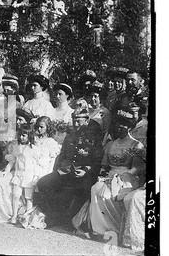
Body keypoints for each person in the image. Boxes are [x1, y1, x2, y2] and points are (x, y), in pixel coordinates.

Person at [72, 108, 145, 239]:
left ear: (129, 127)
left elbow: (136, 168)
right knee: (96, 189)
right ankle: (99, 229)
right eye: (117, 125)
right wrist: (102, 176)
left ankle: (115, 228)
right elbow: (104, 165)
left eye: (123, 125)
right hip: (110, 176)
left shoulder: (136, 145)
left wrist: (122, 176)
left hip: (127, 177)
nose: (119, 128)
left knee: (108, 194)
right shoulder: (111, 144)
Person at [37, 99, 103, 228]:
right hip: (66, 171)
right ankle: (56, 213)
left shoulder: (94, 139)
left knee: (82, 189)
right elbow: (61, 157)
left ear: (87, 121)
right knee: (43, 183)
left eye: (79, 121)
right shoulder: (69, 137)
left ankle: (71, 218)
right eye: (74, 120)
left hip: (84, 173)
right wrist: (57, 170)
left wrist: (85, 170)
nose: (76, 124)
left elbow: (97, 161)